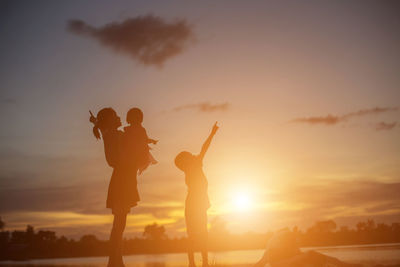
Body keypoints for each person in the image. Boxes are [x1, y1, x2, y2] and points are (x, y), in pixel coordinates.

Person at [90, 108, 139, 267]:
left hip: (123, 179)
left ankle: (117, 261)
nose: (119, 117)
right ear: (110, 120)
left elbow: (100, 124)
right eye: (115, 115)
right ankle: (114, 262)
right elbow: (127, 150)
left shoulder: (108, 132)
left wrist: (95, 122)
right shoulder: (114, 134)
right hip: (122, 180)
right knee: (119, 225)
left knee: (120, 224)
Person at [175, 122, 219, 267]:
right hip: (195, 203)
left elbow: (203, 149)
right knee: (197, 234)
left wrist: (212, 134)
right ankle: (195, 263)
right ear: (186, 160)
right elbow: (204, 148)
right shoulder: (193, 165)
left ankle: (198, 263)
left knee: (198, 234)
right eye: (188, 155)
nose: (192, 154)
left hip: (196, 202)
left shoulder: (192, 166)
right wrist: (212, 134)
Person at [254, 229, 363, 267]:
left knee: (331, 260)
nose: (297, 244)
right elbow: (273, 264)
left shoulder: (293, 249)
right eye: (295, 241)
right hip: (297, 261)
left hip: (307, 259)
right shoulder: (273, 250)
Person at [123, 107, 158, 174]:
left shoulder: (139, 129)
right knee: (132, 169)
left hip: (139, 151)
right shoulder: (129, 130)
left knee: (133, 168)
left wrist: (152, 140)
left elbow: (145, 139)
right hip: (133, 152)